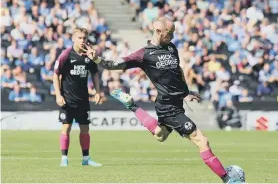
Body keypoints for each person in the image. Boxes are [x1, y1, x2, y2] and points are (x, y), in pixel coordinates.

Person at [82, 17, 245, 183]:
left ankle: (131, 105)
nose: (173, 37)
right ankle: (228, 179)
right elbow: (114, 65)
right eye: (170, 33)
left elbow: (177, 71)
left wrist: (186, 91)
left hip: (175, 104)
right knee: (202, 140)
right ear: (159, 32)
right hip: (168, 108)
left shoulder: (171, 47)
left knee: (160, 135)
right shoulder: (143, 54)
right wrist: (97, 59)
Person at [53, 28, 102, 167]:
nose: (82, 41)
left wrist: (98, 91)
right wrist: (58, 94)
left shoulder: (89, 55)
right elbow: (55, 74)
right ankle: (64, 159)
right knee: (66, 128)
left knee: (85, 129)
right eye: (79, 38)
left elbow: (95, 74)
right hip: (67, 99)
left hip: (83, 99)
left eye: (84, 38)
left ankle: (86, 159)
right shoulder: (66, 55)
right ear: (73, 38)